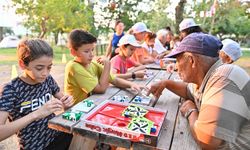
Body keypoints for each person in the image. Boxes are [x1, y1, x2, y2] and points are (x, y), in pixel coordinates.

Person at [148, 32, 250, 149]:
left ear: (192, 60)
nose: (176, 67)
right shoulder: (210, 74)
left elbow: (206, 141)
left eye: (177, 61)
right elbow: (187, 90)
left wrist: (191, 111)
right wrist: (165, 83)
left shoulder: (223, 78)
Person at [0, 39, 74, 150]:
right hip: (35, 146)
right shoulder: (10, 89)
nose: (45, 73)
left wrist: (67, 103)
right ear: (22, 64)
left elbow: (64, 102)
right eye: (39, 68)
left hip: (57, 135)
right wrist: (36, 114)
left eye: (49, 67)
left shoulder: (47, 79)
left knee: (86, 137)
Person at [65, 29, 144, 105]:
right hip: (75, 110)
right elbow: (101, 89)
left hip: (90, 105)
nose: (91, 54)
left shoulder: (92, 64)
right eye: (86, 51)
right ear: (73, 52)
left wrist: (131, 85)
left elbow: (114, 80)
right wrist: (107, 65)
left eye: (92, 50)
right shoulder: (73, 67)